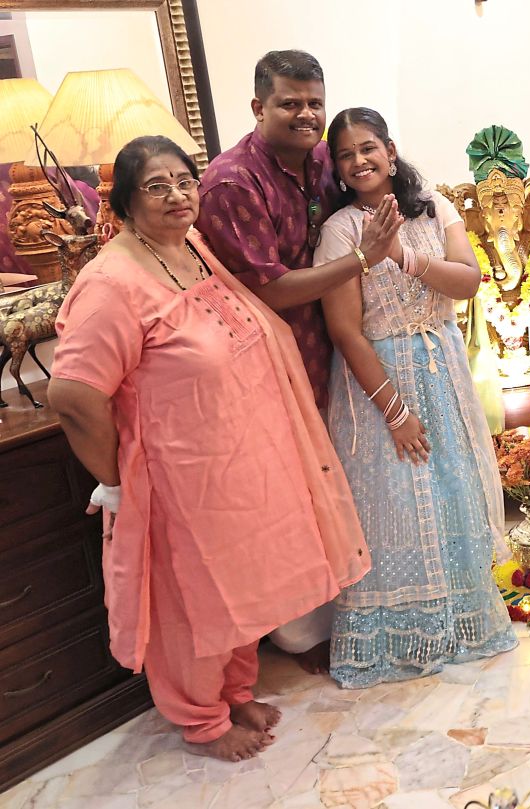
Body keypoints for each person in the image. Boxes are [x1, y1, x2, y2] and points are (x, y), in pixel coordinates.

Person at [47, 136, 371, 762]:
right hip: (175, 481)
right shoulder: (109, 283)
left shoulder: (191, 246)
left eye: (185, 180)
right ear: (120, 204)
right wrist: (117, 481)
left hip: (237, 468)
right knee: (194, 603)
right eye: (156, 185)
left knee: (243, 586)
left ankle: (235, 689)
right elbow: (73, 396)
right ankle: (201, 719)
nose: (177, 195)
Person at [197, 50, 402, 672]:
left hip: (332, 349)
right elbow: (268, 289)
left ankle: (349, 613)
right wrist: (365, 260)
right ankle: (298, 637)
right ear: (258, 107)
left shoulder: (321, 159)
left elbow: (370, 190)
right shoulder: (233, 183)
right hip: (265, 363)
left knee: (337, 481)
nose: (307, 114)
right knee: (285, 496)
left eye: (314, 101)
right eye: (290, 103)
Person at [314, 108, 517, 687]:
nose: (359, 162)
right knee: (397, 501)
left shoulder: (433, 208)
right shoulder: (340, 230)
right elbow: (345, 330)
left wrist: (401, 255)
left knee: (453, 485)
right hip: (381, 376)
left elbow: (469, 281)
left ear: (391, 148)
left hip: (443, 362)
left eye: (368, 147)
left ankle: (462, 622)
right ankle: (400, 638)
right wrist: (395, 410)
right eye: (346, 154)